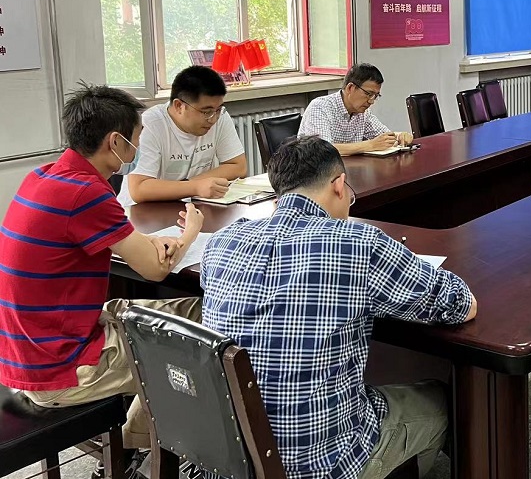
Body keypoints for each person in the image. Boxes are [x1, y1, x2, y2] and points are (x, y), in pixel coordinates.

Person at [200, 136, 476, 479]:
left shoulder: (222, 242)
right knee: (442, 400)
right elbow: (460, 304)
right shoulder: (359, 244)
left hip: (230, 460)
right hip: (326, 465)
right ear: (339, 185)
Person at [0, 84, 204, 453]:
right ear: (115, 141)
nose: (138, 145)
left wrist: (150, 244)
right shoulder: (86, 193)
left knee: (199, 311)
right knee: (200, 342)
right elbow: (156, 272)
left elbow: (112, 241)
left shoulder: (45, 177)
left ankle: (141, 443)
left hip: (32, 348)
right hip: (63, 368)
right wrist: (190, 231)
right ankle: (140, 450)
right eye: (137, 136)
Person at [120, 65, 247, 205]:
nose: (213, 119)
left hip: (188, 205)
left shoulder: (219, 117)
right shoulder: (150, 125)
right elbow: (139, 189)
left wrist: (191, 185)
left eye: (218, 110)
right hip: (142, 211)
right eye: (206, 112)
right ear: (179, 106)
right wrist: (195, 187)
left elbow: (238, 166)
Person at [299, 63, 413, 155]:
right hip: (315, 174)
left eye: (376, 96)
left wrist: (399, 136)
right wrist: (370, 145)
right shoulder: (320, 107)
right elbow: (322, 150)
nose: (371, 101)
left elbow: (383, 136)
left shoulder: (363, 113)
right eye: (368, 94)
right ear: (350, 88)